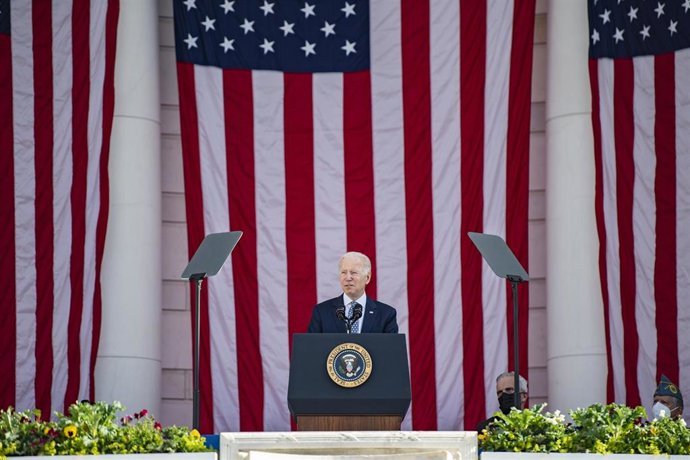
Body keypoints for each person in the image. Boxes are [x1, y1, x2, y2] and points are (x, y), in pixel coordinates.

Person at [307, 252, 398, 333]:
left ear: (367, 278)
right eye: (343, 272)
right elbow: (311, 348)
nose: (348, 278)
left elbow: (391, 350)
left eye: (353, 273)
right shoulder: (322, 312)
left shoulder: (386, 314)